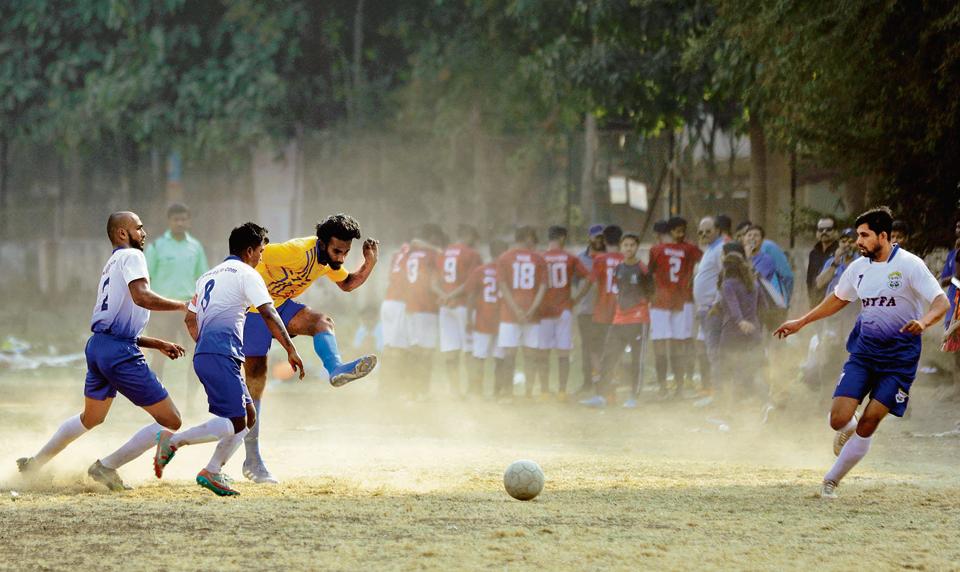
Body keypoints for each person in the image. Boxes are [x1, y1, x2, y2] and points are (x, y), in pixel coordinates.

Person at [774, 207, 949, 499]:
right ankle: (849, 428)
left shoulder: (910, 265)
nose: (859, 241)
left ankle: (830, 481)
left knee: (870, 421)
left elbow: (941, 302)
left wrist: (924, 322)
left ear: (884, 235)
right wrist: (802, 321)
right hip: (864, 354)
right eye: (858, 235)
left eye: (864, 235)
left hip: (899, 360)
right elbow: (838, 299)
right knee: (837, 419)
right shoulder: (858, 268)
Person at [16, 212, 188, 491]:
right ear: (122, 233)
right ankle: (106, 467)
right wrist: (183, 306)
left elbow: (115, 326)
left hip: (98, 346)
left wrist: (157, 343)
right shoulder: (132, 257)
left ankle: (34, 464)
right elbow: (141, 297)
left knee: (91, 418)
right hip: (118, 351)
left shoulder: (111, 263)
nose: (144, 233)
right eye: (139, 228)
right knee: (172, 420)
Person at [153, 223, 305, 496]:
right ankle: (173, 441)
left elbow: (189, 318)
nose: (262, 257)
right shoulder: (248, 273)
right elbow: (270, 314)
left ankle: (213, 470)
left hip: (211, 354)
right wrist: (291, 349)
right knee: (235, 422)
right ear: (249, 250)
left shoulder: (208, 276)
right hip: (221, 354)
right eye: (260, 251)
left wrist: (206, 343)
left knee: (248, 416)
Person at [240, 214, 379, 484]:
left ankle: (335, 369)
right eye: (337, 251)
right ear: (322, 242)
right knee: (255, 382)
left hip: (278, 305)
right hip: (252, 310)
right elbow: (252, 255)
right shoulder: (295, 252)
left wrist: (369, 263)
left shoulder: (326, 260)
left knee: (321, 322)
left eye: (346, 252)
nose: (341, 258)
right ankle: (252, 458)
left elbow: (347, 283)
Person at [143, 203, 209, 400]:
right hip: (162, 310)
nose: (180, 223)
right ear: (169, 221)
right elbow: (146, 280)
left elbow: (203, 279)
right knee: (159, 356)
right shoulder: (157, 247)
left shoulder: (195, 247)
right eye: (176, 219)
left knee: (198, 356)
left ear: (188, 221)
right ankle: (155, 400)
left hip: (188, 310)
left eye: (183, 219)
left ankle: (190, 400)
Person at [589, 233, 651, 408]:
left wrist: (640, 306)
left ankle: (634, 396)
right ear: (621, 247)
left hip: (638, 319)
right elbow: (619, 291)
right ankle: (601, 395)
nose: (629, 248)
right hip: (619, 319)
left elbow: (650, 291)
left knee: (636, 359)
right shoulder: (618, 268)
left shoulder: (643, 269)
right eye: (626, 245)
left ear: (637, 247)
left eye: (632, 245)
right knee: (609, 356)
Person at [647, 216, 702, 398]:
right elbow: (703, 263)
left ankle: (664, 387)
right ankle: (678, 387)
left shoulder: (656, 250)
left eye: (682, 229)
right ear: (671, 231)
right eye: (678, 230)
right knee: (679, 344)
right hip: (681, 300)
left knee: (661, 344)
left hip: (661, 302)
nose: (681, 233)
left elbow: (650, 275)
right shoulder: (690, 249)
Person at [495, 226, 548, 400]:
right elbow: (542, 287)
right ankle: (528, 393)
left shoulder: (504, 258)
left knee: (509, 353)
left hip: (509, 314)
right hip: (532, 313)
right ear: (527, 237)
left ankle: (508, 393)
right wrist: (531, 309)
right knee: (530, 353)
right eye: (533, 238)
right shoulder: (538, 259)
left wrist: (516, 309)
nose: (534, 243)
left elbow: (503, 286)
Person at [713, 242, 764, 419]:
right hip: (754, 332)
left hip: (732, 333)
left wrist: (740, 321)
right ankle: (756, 406)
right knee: (749, 369)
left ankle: (729, 410)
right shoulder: (753, 283)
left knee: (728, 371)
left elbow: (733, 305)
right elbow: (761, 305)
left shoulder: (728, 284)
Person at [538, 226, 590, 400]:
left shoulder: (540, 258)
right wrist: (577, 299)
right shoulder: (571, 258)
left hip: (543, 311)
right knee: (563, 352)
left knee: (543, 351)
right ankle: (561, 392)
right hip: (563, 310)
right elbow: (589, 278)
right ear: (562, 238)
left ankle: (544, 391)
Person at [576, 225, 625, 404]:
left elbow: (589, 283)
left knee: (596, 350)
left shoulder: (600, 259)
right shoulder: (626, 259)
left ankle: (602, 388)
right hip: (621, 312)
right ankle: (613, 389)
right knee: (615, 350)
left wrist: (575, 300)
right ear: (621, 241)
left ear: (604, 240)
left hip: (602, 311)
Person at [436, 224, 484, 396]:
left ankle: (455, 391)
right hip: (463, 306)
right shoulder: (472, 254)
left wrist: (444, 295)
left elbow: (434, 282)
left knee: (450, 349)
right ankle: (472, 390)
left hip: (445, 306)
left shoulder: (444, 252)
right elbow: (471, 283)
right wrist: (452, 295)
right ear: (469, 234)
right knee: (469, 350)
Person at [402, 224, 445, 398]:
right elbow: (434, 281)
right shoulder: (433, 255)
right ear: (433, 237)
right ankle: (422, 390)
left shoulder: (411, 254)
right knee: (426, 350)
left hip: (411, 304)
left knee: (414, 348)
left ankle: (411, 389)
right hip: (427, 305)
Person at [461, 239, 508, 397]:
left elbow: (471, 296)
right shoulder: (508, 270)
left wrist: (468, 317)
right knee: (500, 358)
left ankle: (477, 391)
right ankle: (497, 392)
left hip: (483, 318)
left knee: (479, 357)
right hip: (503, 319)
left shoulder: (480, 270)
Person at [693, 215, 732, 386]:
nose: (703, 234)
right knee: (710, 351)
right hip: (705, 308)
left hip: (713, 308)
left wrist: (716, 302)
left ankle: (720, 392)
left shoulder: (720, 249)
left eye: (708, 231)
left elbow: (725, 277)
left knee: (715, 352)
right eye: (700, 232)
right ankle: (716, 391)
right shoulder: (709, 249)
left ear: (717, 230)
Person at [574, 224, 606, 394]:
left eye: (601, 237)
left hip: (604, 310)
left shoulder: (609, 257)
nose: (599, 240)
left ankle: (603, 380)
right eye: (596, 237)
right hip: (585, 310)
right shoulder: (580, 259)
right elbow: (576, 283)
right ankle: (587, 381)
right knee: (586, 347)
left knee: (602, 346)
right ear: (590, 238)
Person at [379, 242, 410, 394]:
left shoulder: (398, 253)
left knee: (388, 345)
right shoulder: (413, 254)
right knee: (398, 347)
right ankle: (395, 385)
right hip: (399, 303)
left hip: (388, 301)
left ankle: (384, 385)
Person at [807, 216, 839, 308]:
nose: (824, 232)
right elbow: (810, 280)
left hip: (834, 305)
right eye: (821, 230)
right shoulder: (813, 253)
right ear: (817, 233)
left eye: (828, 229)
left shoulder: (840, 252)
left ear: (836, 232)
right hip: (816, 305)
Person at [938, 219, 960, 329]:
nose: (959, 229)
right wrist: (955, 278)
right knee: (950, 344)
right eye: (957, 227)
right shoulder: (951, 254)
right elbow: (943, 281)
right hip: (952, 303)